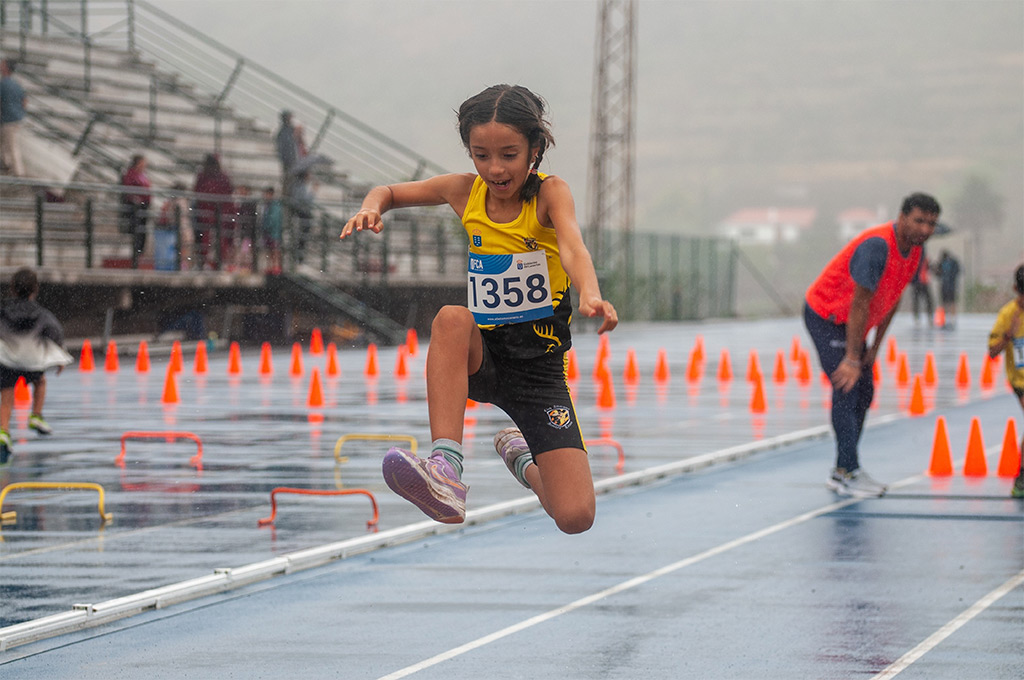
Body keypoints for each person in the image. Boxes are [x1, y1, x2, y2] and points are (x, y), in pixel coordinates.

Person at [341, 85, 617, 534]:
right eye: (481, 155)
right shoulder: (462, 191)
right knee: (451, 317)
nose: (495, 169)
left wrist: (589, 292)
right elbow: (388, 191)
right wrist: (371, 208)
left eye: (508, 154)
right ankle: (445, 468)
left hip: (538, 374)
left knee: (574, 517)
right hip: (483, 356)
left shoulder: (549, 194)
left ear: (535, 149)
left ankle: (521, 459)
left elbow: (572, 247)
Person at [804, 192, 940, 497]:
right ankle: (847, 472)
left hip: (853, 320)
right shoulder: (877, 246)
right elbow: (859, 304)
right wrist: (853, 358)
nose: (925, 229)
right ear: (902, 217)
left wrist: (875, 347)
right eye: (919, 221)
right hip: (826, 314)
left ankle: (843, 471)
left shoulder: (916, 251)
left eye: (931, 224)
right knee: (847, 384)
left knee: (866, 389)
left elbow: (892, 297)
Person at [0, 268, 72, 464]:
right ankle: (36, 415)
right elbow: (55, 332)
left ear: (12, 289)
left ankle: (3, 431)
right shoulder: (42, 314)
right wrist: (60, 356)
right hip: (31, 361)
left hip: (7, 360)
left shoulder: (3, 310)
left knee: (6, 396)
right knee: (40, 383)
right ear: (35, 290)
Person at [988, 264, 1024, 498]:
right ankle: (1020, 477)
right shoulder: (1008, 314)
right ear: (1015, 290)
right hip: (1020, 380)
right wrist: (1008, 336)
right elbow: (992, 351)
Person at [192, 153, 234, 269]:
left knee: (205, 238)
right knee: (219, 239)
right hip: (218, 213)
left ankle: (204, 262)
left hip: (207, 213)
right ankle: (218, 262)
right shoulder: (222, 177)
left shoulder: (203, 176)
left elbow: (198, 192)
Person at [120, 154, 152, 267]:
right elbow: (128, 190)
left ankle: (140, 254)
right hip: (135, 208)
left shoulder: (143, 174)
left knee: (143, 231)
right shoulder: (130, 174)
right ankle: (136, 255)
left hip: (144, 207)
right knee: (137, 230)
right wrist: (136, 199)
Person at [0, 59, 27, 177]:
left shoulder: (3, 84)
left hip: (8, 119)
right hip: (16, 118)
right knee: (6, 144)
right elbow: (24, 101)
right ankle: (6, 165)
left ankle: (18, 172)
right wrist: (20, 112)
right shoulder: (16, 84)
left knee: (12, 145)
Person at [259, 186, 283, 274]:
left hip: (274, 232)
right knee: (269, 250)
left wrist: (266, 227)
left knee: (275, 250)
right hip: (267, 232)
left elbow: (274, 219)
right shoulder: (267, 205)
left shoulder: (275, 205)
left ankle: (276, 266)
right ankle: (270, 267)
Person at [275, 110, 299, 195]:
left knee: (291, 179)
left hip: (291, 158)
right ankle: (286, 195)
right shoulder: (283, 131)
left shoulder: (290, 130)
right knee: (287, 178)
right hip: (287, 159)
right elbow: (281, 147)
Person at [935, 249, 961, 329]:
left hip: (946, 285)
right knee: (950, 302)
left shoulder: (946, 262)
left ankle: (949, 318)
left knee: (947, 302)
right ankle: (950, 318)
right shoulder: (952, 262)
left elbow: (937, 273)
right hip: (950, 285)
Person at [910, 249, 934, 325]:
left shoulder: (925, 260)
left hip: (924, 281)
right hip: (918, 282)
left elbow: (930, 268)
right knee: (917, 300)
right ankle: (917, 316)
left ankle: (929, 316)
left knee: (928, 300)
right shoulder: (916, 259)